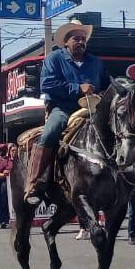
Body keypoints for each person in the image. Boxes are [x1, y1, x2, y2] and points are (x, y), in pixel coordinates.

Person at [25, 20, 110, 206]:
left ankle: (121, 177)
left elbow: (106, 85)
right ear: (66, 41)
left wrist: (104, 93)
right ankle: (35, 182)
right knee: (51, 131)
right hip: (64, 108)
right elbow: (47, 85)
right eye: (76, 38)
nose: (81, 42)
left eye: (83, 38)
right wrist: (78, 88)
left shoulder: (96, 62)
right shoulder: (54, 58)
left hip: (92, 109)